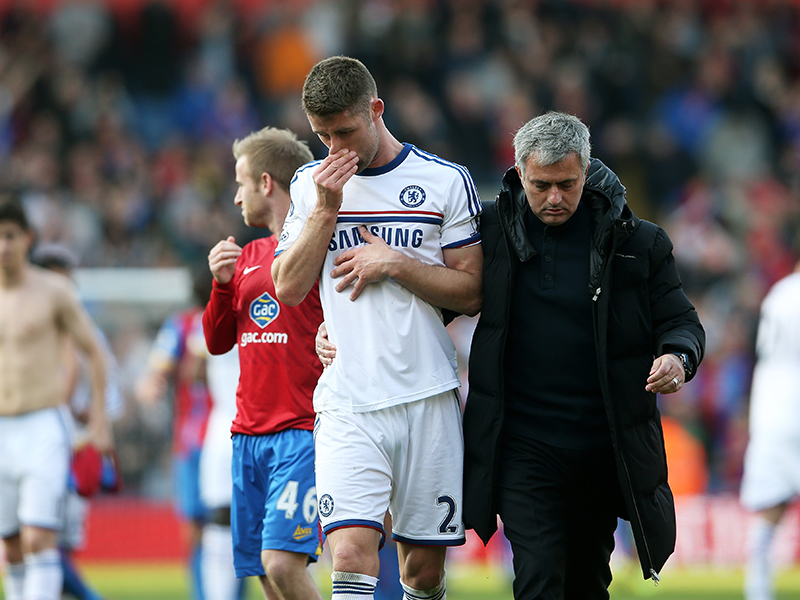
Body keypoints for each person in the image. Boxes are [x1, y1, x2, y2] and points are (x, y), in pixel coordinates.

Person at [461, 112, 705, 599]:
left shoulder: (639, 243)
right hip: (522, 445)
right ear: (519, 174)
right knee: (539, 576)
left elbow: (682, 322)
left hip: (600, 445)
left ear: (587, 170)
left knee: (586, 582)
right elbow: (436, 299)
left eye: (567, 184)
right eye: (541, 185)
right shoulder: (487, 230)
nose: (554, 198)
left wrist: (678, 358)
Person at [272, 56, 483, 600]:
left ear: (376, 110)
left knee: (423, 572)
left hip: (427, 396)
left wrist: (394, 263)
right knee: (348, 554)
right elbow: (288, 287)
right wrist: (325, 210)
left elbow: (474, 291)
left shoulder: (443, 181)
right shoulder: (308, 186)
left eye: (345, 131)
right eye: (322, 136)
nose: (334, 149)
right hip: (347, 400)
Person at [203, 126, 324, 600]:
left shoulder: (315, 245)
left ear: (266, 183)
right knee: (265, 573)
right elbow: (216, 342)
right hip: (247, 434)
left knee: (283, 562)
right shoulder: (248, 255)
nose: (237, 198)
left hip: (300, 429)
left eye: (241, 183)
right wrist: (220, 283)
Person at [0, 198, 114, 600]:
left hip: (42, 425)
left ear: (27, 238)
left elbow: (94, 352)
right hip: (2, 430)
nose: (3, 246)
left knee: (38, 537)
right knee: (10, 546)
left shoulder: (52, 291)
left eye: (10, 236)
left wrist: (99, 420)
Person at [32, 243, 125, 600]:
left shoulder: (84, 333)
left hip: (70, 447)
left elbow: (108, 392)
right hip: (37, 443)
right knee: (38, 542)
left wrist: (97, 423)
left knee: (48, 543)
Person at [136, 272, 214, 600]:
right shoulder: (235, 317)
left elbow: (153, 375)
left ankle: (203, 593)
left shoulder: (179, 325)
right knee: (228, 527)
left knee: (197, 529)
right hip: (225, 437)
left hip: (193, 441)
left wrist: (151, 385)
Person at [740, 260, 800, 600]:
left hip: (769, 412)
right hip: (797, 406)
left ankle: (758, 593)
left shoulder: (777, 294)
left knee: (768, 512)